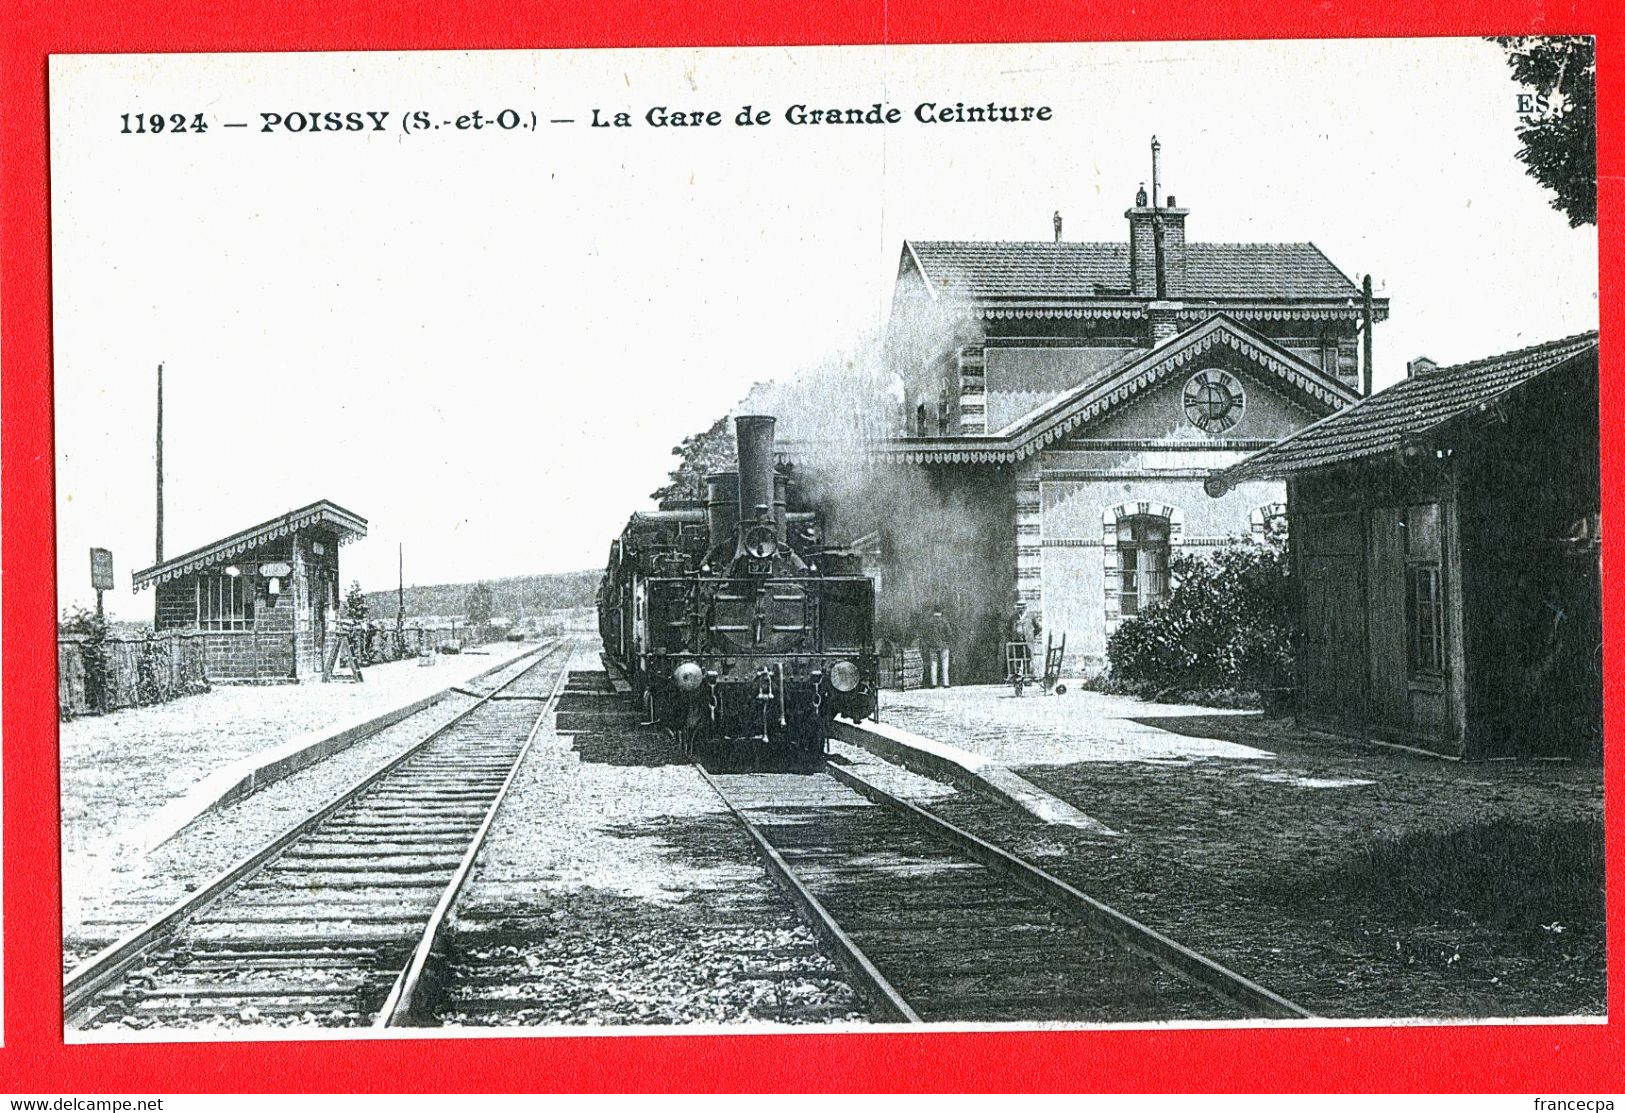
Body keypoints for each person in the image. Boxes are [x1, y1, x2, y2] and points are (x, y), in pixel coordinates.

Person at [919, 607, 954, 688]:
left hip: (932, 646)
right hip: (944, 645)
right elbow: (949, 634)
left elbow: (925, 635)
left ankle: (933, 683)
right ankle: (946, 683)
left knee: (933, 664)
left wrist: (929, 643)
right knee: (945, 664)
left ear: (933, 612)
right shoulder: (944, 621)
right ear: (941, 612)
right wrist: (947, 641)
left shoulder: (929, 622)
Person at [1008, 599, 1041, 678]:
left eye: (1022, 607)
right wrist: (1013, 636)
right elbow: (1008, 628)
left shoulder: (1031, 616)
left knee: (1028, 658)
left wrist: (1032, 635)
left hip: (1028, 641)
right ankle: (1018, 677)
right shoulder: (1014, 617)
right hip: (1017, 641)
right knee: (1017, 658)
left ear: (1025, 608)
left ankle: (1028, 676)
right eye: (1018, 608)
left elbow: (1039, 627)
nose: (1020, 609)